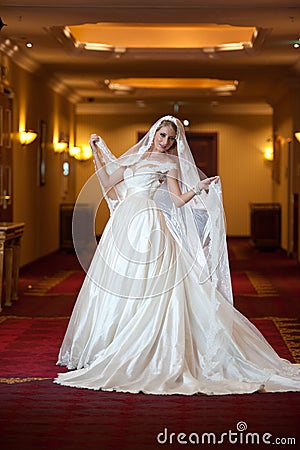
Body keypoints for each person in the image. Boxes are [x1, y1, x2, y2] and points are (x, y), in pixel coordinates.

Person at [55, 116, 300, 395]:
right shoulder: (133, 157)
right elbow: (109, 183)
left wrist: (199, 187)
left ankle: (148, 348)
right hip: (122, 225)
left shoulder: (170, 164)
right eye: (162, 135)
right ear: (153, 133)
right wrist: (96, 152)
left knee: (153, 284)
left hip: (150, 224)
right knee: (117, 282)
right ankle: (107, 345)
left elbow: (176, 200)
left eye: (171, 139)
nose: (166, 142)